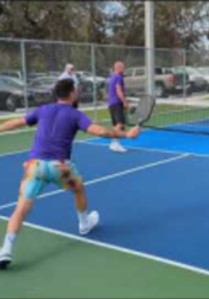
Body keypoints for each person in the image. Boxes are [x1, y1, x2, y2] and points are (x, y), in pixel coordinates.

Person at [0, 79, 140, 269]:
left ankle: (6, 249)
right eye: (76, 89)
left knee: (21, 208)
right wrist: (126, 135)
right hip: (60, 168)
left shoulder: (43, 110)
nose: (78, 91)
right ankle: (84, 224)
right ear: (71, 93)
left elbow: (18, 122)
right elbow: (97, 131)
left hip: (35, 166)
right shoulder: (75, 114)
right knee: (79, 189)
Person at [107, 61, 129, 153]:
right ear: (118, 68)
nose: (124, 69)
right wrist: (124, 101)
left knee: (117, 124)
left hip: (111, 104)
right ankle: (114, 143)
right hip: (116, 104)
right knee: (120, 124)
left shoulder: (111, 78)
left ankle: (115, 143)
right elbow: (118, 89)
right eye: (123, 68)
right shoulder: (119, 77)